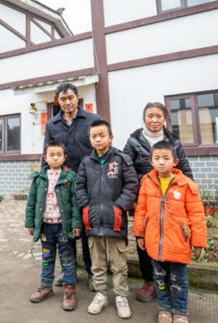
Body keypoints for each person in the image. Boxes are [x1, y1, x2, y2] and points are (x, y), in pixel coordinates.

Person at [123, 102, 193, 303]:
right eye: (150, 116)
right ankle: (149, 282)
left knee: (172, 239)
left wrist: (191, 195)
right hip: (144, 201)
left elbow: (185, 170)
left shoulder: (174, 141)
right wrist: (133, 196)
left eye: (158, 116)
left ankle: (170, 282)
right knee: (144, 240)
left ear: (165, 119)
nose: (154, 120)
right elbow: (125, 170)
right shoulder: (134, 140)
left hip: (171, 201)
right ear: (143, 118)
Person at [133, 140, 207, 323]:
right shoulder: (147, 182)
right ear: (151, 161)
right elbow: (140, 210)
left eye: (166, 158)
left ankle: (180, 310)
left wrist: (198, 241)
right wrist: (140, 233)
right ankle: (164, 308)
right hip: (154, 242)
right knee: (159, 278)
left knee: (178, 280)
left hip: (178, 243)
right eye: (156, 158)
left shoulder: (186, 185)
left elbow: (197, 215)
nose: (161, 162)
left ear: (175, 161)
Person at [75, 120, 139, 319]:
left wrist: (119, 207)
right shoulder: (86, 162)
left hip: (115, 221)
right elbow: (79, 187)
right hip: (93, 221)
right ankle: (101, 294)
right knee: (98, 263)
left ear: (110, 137)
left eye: (102, 135)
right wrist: (86, 207)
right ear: (90, 140)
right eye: (94, 136)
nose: (98, 139)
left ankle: (121, 296)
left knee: (119, 264)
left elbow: (131, 186)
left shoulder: (122, 159)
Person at [43, 83, 101, 290]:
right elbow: (47, 154)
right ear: (57, 100)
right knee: (64, 229)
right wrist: (42, 181)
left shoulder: (92, 120)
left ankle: (93, 272)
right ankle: (67, 270)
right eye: (62, 99)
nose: (67, 102)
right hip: (62, 186)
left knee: (86, 229)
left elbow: (100, 148)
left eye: (70, 98)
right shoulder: (52, 125)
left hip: (88, 183)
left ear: (77, 97)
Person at [25, 140, 82, 311]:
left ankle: (70, 289)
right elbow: (31, 201)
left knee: (67, 258)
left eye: (59, 155)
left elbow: (75, 203)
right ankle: (46, 286)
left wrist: (76, 224)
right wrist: (30, 223)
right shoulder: (39, 178)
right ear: (45, 157)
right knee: (47, 257)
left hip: (63, 227)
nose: (55, 158)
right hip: (45, 227)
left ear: (64, 157)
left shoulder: (70, 177)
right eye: (52, 155)